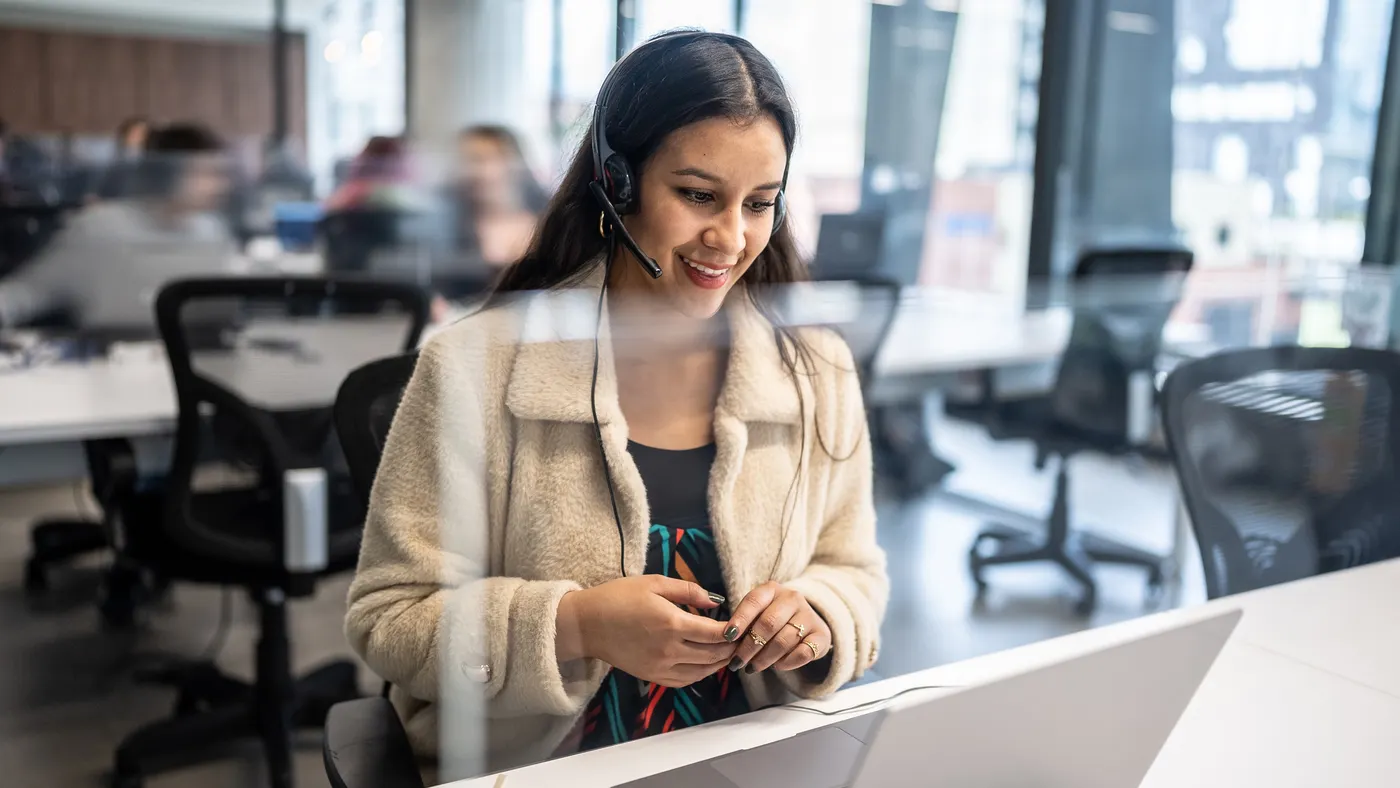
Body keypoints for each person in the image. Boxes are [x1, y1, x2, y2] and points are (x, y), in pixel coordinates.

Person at [345, 30, 888, 774]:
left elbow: (855, 572)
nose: (730, 238)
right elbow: (391, 618)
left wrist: (819, 614)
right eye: (698, 195)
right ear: (617, 180)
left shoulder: (815, 368)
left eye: (759, 203)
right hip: (543, 768)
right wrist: (576, 625)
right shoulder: (476, 364)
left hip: (750, 759)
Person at [0, 122, 236, 329]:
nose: (219, 186)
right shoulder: (100, 229)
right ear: (166, 173)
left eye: (220, 175)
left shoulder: (213, 231)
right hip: (106, 365)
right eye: (206, 174)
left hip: (198, 359)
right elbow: (28, 293)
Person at [451, 124, 548, 272]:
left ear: (511, 163)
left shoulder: (546, 224)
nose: (471, 171)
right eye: (465, 160)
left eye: (480, 159)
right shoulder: (449, 227)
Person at [94, 116, 150, 199]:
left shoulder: (150, 156)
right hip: (115, 196)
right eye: (136, 132)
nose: (139, 136)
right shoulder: (113, 154)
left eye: (144, 133)